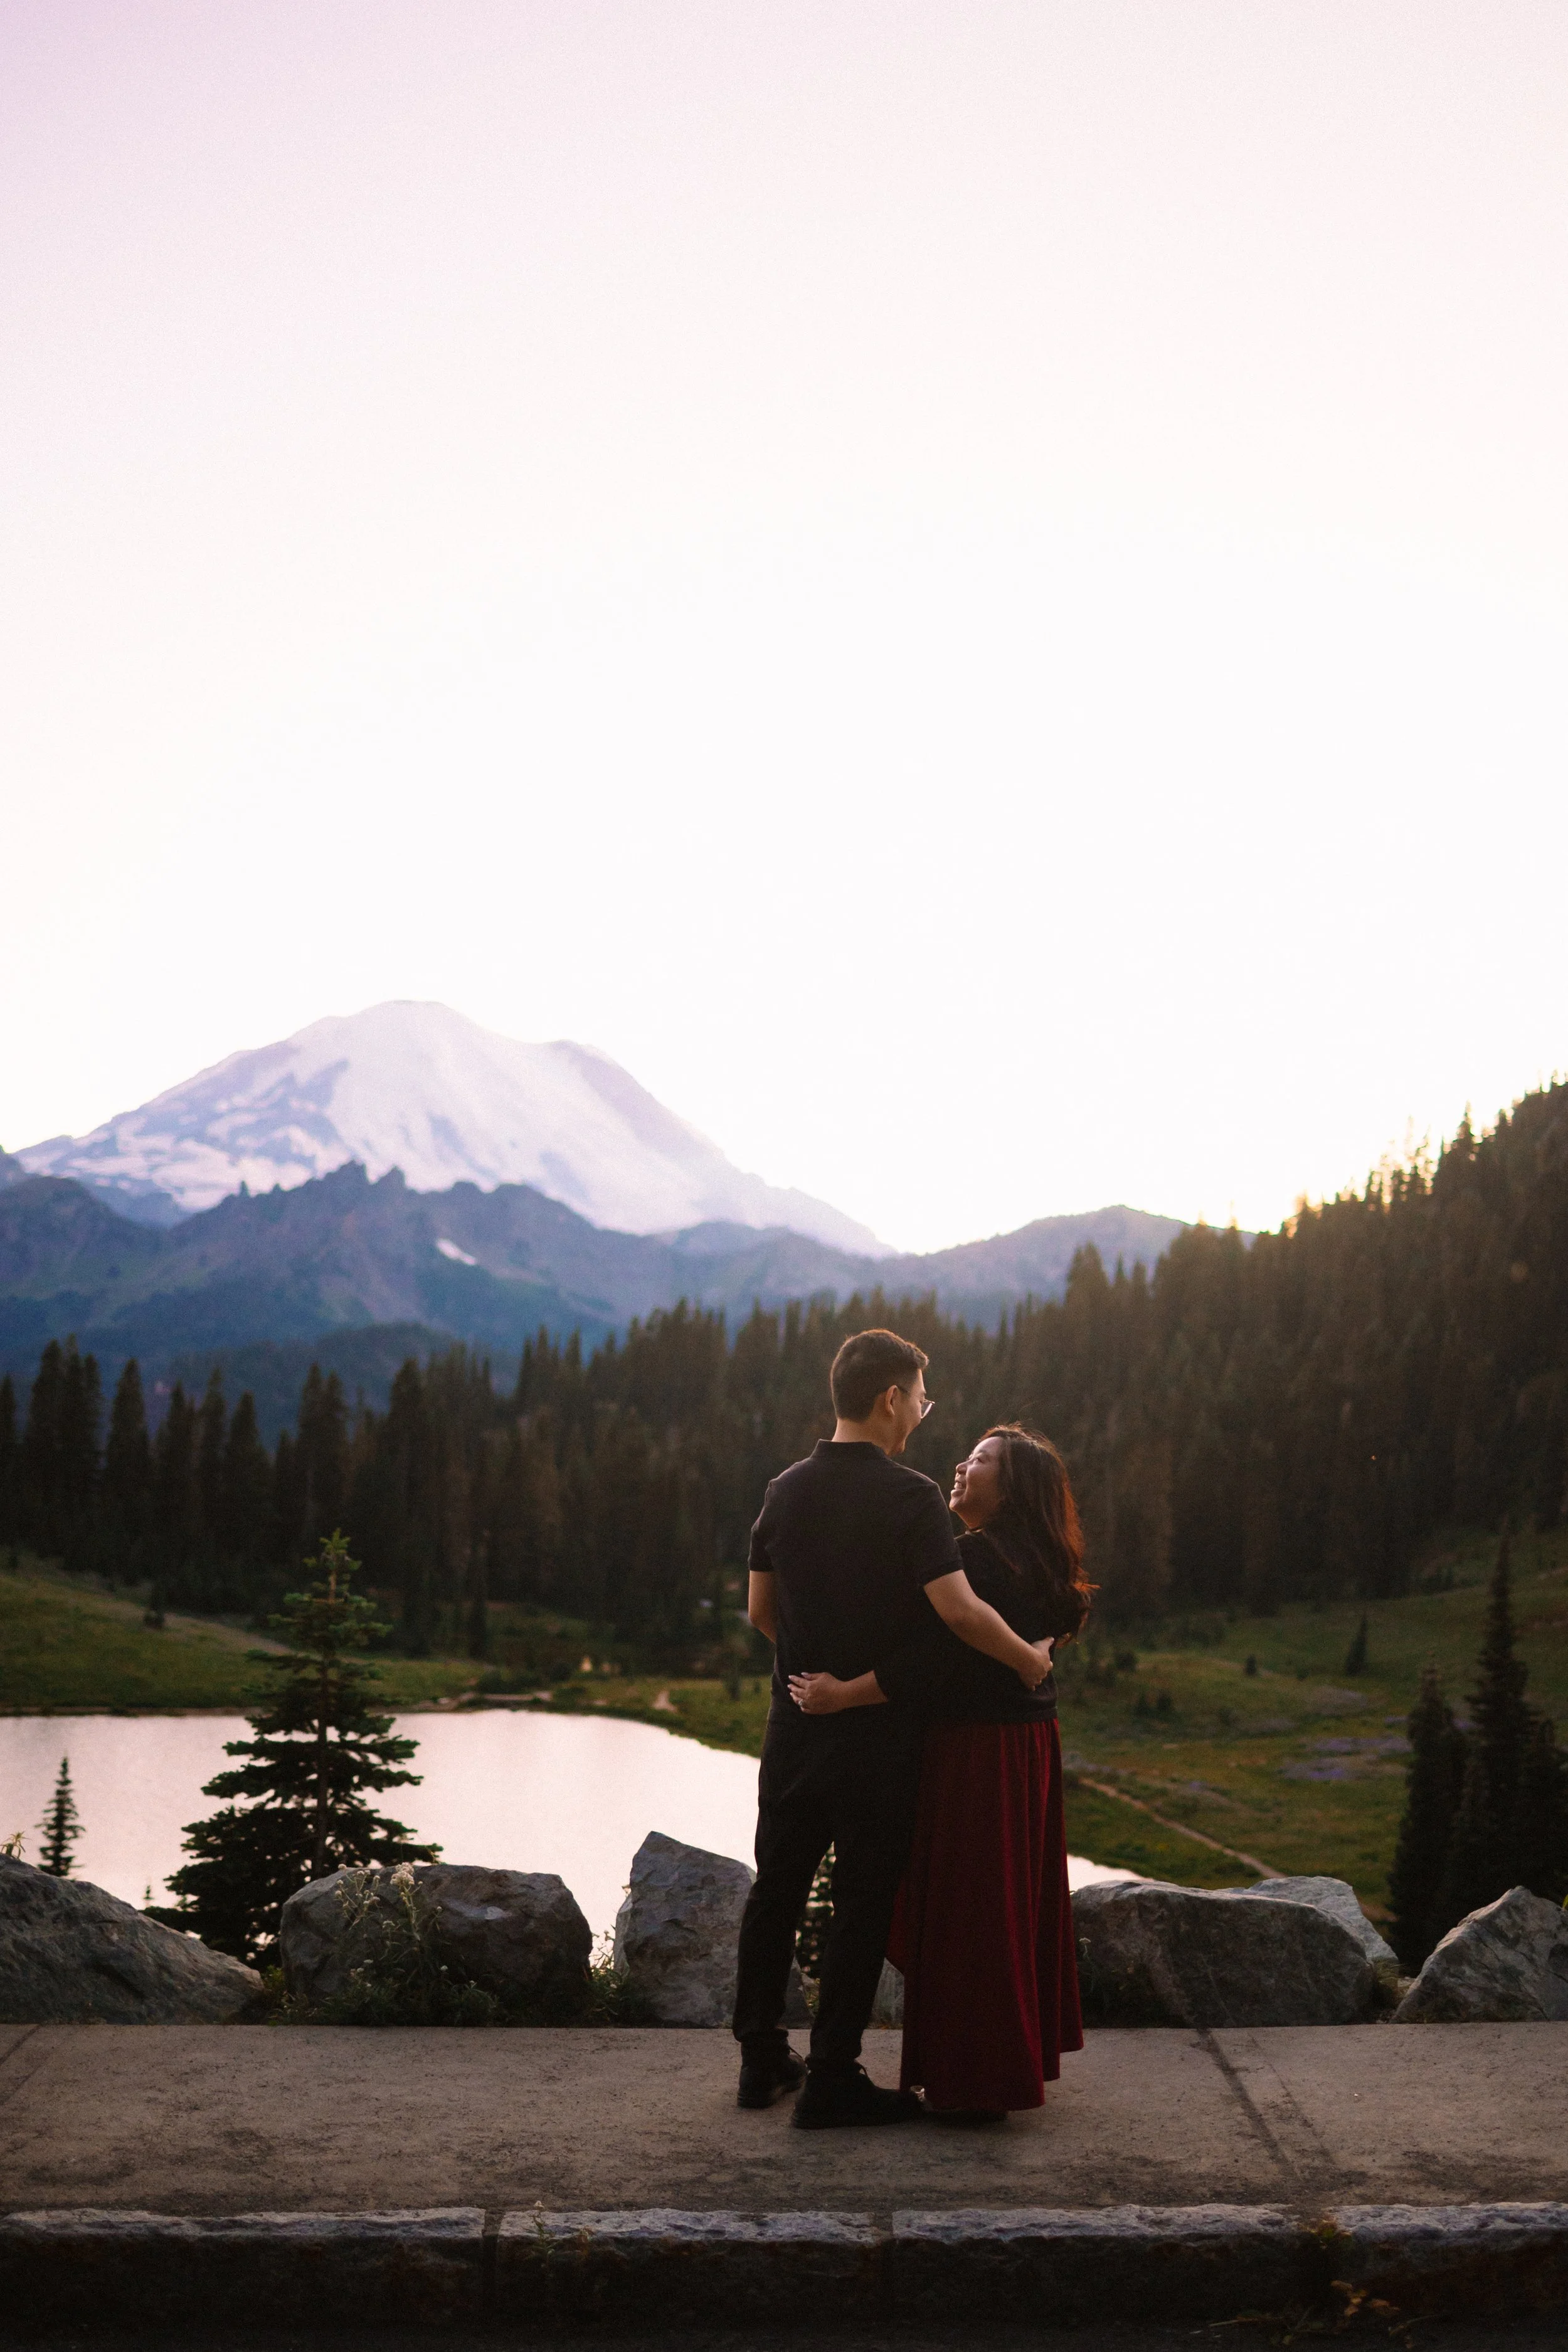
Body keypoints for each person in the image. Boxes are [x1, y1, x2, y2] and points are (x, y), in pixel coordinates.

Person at [733, 1332, 1054, 2128]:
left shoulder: (783, 1489)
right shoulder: (908, 1497)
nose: (920, 1412)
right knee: (860, 1901)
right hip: (875, 1738)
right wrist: (1025, 1661)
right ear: (889, 1399)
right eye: (919, 1397)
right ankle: (832, 2076)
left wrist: (809, 1673)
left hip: (793, 1726)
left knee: (774, 1890)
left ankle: (759, 2059)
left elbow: (760, 1613)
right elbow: (956, 1612)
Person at [789, 1423, 1091, 2120]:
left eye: (982, 1459)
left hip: (976, 1752)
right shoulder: (1039, 1558)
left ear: (1010, 1488)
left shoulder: (974, 1561)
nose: (962, 1464)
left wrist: (844, 1693)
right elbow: (1056, 1624)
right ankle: (998, 2065)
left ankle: (975, 2081)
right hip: (1028, 1748)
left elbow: (933, 1663)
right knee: (1004, 1904)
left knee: (970, 1909)